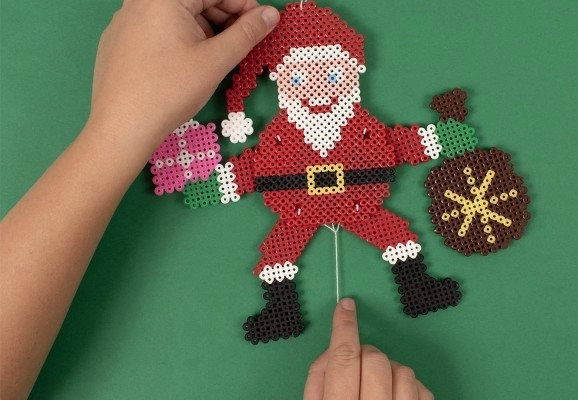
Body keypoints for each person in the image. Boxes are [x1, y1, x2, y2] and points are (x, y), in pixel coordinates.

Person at [0, 1, 434, 398]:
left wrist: (437, 136)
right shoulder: (280, 141)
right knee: (278, 254)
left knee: (394, 234)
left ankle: (418, 285)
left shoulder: (365, 132)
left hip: (359, 204)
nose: (317, 90)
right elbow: (250, 169)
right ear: (282, 80)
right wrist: (213, 186)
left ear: (354, 70)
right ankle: (279, 309)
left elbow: (400, 143)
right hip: (297, 212)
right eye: (301, 78)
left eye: (333, 75)